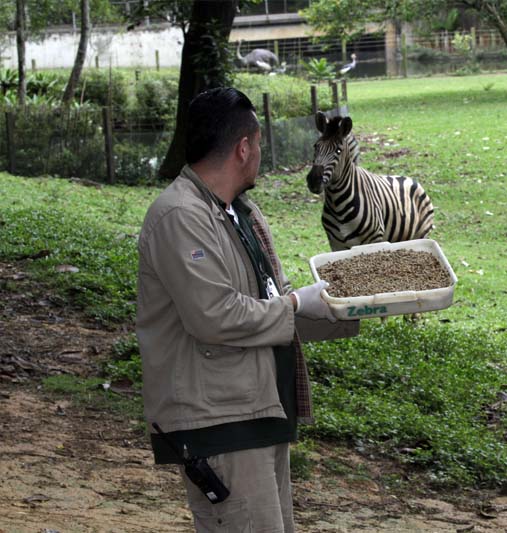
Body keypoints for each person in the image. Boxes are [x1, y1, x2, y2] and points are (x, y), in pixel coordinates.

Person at [136, 87, 335, 532]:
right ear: (244, 148)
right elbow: (214, 315)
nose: (260, 155)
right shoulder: (180, 216)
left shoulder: (240, 212)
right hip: (221, 422)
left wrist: (342, 308)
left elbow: (270, 298)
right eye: (259, 144)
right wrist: (295, 305)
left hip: (262, 410)